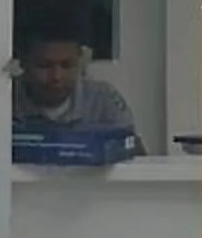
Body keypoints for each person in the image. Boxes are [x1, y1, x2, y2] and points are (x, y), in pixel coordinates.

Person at [12, 28, 143, 149]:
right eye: (44, 66)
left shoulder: (102, 99)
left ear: (80, 61)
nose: (56, 77)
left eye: (67, 65)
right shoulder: (5, 99)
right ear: (24, 62)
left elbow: (135, 153)